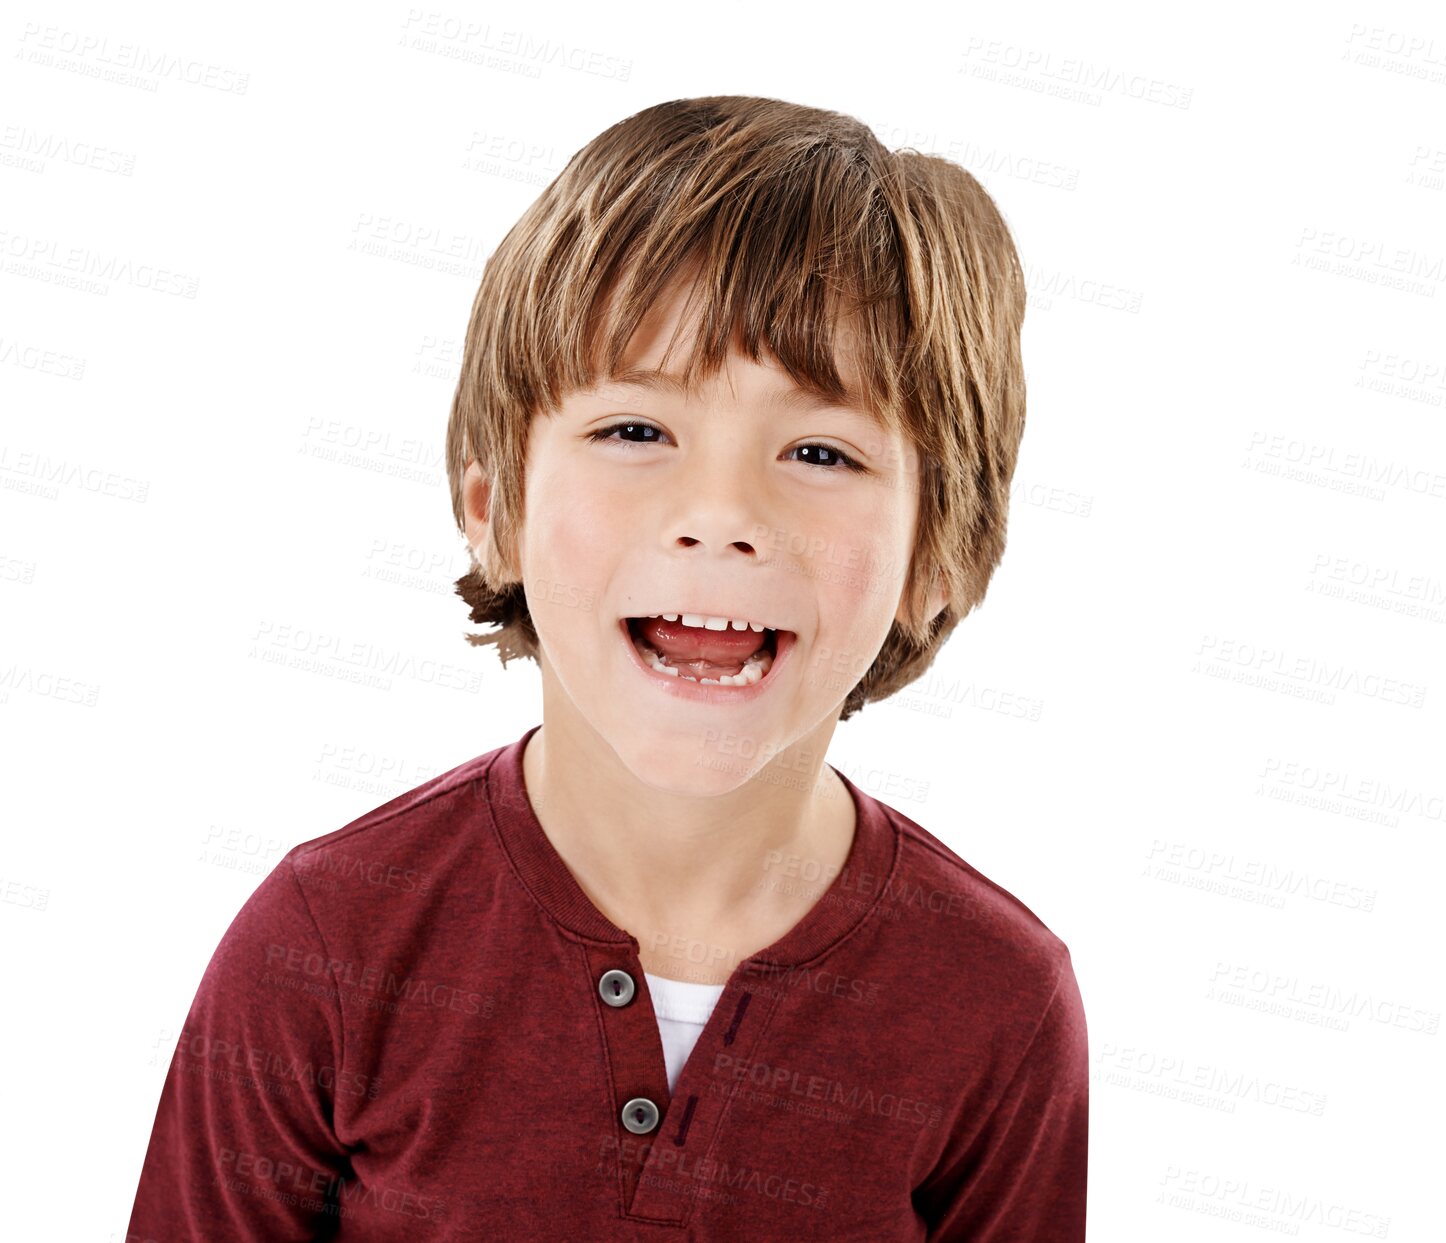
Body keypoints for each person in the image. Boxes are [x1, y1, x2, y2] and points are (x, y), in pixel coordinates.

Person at [127, 94, 1087, 1241]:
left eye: (820, 450)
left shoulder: (997, 1000)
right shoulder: (325, 943)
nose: (721, 515)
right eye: (637, 430)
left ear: (938, 554)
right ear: (496, 512)